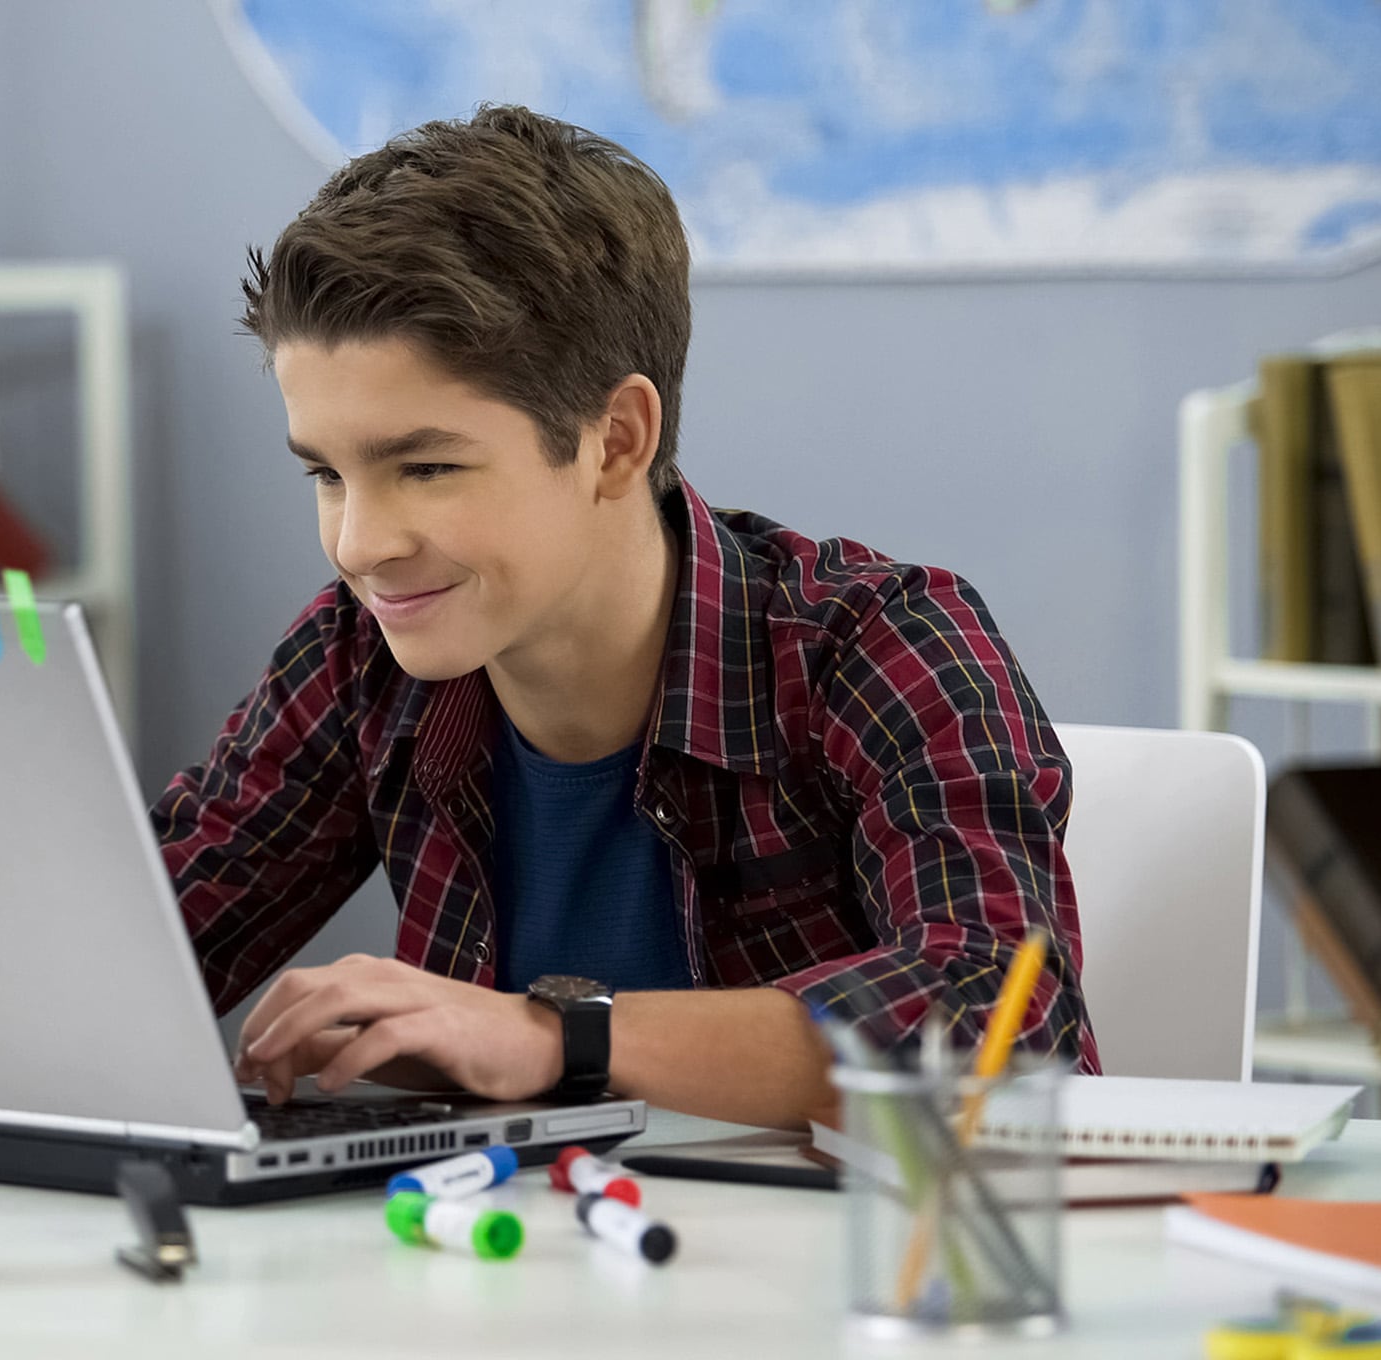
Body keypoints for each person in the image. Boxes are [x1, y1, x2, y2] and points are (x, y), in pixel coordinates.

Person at [150, 105, 1098, 1131]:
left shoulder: (877, 643)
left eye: (426, 466)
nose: (359, 543)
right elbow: (128, 954)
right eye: (327, 473)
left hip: (844, 1279)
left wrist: (554, 1035)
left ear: (615, 440)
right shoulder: (357, 657)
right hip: (514, 1271)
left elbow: (1005, 1016)